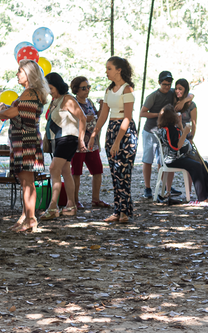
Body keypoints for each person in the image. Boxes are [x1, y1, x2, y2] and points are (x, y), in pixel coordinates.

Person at [0, 59, 48, 233]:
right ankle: (24, 216)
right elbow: (18, 111)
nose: (17, 74)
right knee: (26, 182)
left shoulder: (30, 93)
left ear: (29, 74)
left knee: (27, 183)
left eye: (20, 71)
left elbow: (13, 113)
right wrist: (8, 107)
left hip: (26, 142)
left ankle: (31, 219)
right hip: (26, 141)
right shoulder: (31, 93)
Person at [92, 56, 137, 223]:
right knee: (114, 172)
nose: (106, 71)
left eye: (109, 68)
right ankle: (118, 210)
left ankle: (125, 211)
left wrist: (118, 141)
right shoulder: (108, 90)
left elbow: (127, 117)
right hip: (111, 130)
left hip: (125, 132)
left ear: (119, 70)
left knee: (123, 173)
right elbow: (103, 115)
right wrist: (94, 134)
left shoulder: (127, 90)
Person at [41, 72, 86, 219]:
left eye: (51, 88)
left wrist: (81, 140)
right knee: (66, 171)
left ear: (58, 85)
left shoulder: (68, 99)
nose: (49, 91)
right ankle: (71, 205)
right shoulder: (55, 100)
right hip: (57, 140)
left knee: (54, 169)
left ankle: (53, 206)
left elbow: (83, 118)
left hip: (67, 138)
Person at [157, 105, 208, 202]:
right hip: (173, 159)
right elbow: (176, 147)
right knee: (196, 165)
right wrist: (185, 133)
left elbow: (182, 140)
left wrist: (180, 126)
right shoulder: (168, 130)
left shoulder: (171, 128)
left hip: (178, 157)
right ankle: (202, 197)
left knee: (203, 163)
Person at [70, 76, 108, 209]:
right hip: (78, 143)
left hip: (92, 142)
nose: (87, 90)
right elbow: (71, 120)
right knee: (76, 172)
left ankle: (95, 199)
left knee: (97, 170)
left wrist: (101, 108)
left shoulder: (89, 102)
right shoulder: (73, 102)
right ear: (76, 89)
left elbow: (97, 116)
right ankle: (75, 200)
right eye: (84, 88)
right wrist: (85, 119)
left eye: (88, 87)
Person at [139, 71, 176, 199]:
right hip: (150, 131)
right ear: (160, 83)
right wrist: (159, 114)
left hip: (164, 133)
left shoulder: (172, 93)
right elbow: (142, 113)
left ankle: (165, 186)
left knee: (163, 160)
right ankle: (147, 188)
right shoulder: (153, 96)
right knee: (148, 160)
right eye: (164, 84)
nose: (167, 86)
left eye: (169, 84)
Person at [162, 77, 197, 199]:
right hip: (173, 137)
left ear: (185, 90)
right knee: (170, 159)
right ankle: (168, 189)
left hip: (186, 137)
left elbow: (194, 123)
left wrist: (191, 137)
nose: (177, 91)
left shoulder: (191, 105)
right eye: (176, 88)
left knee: (192, 161)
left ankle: (190, 191)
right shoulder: (172, 101)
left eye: (180, 89)